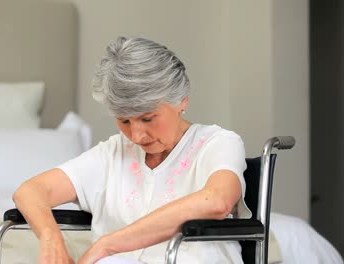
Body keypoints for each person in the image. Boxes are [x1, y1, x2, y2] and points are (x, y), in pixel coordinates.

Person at [13, 36, 251, 264]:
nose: (136, 136)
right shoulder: (112, 154)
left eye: (148, 118)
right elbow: (31, 191)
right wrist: (50, 237)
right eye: (124, 121)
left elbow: (217, 201)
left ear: (182, 101)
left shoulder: (218, 143)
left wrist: (108, 244)